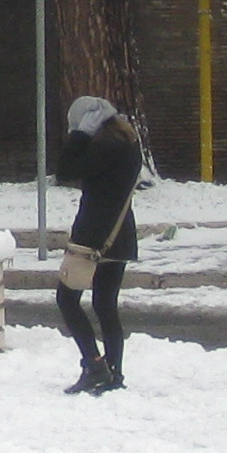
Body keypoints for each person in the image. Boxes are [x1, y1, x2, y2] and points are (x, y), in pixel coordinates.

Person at [51, 94, 142, 395]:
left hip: (92, 235)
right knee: (105, 305)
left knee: (67, 299)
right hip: (119, 233)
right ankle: (113, 371)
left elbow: (64, 171)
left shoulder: (104, 147)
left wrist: (79, 136)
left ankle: (94, 365)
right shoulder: (128, 143)